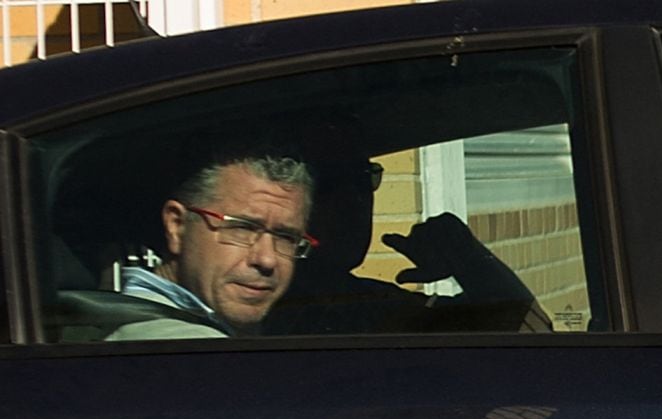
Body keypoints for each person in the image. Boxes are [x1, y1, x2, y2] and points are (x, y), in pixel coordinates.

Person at [263, 155, 551, 335]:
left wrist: (468, 258)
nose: (356, 200)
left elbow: (527, 329)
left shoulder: (359, 298)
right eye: (331, 183)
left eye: (364, 178)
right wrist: (472, 261)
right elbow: (531, 334)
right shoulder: (280, 305)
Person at [105, 154, 315, 340]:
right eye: (242, 228)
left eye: (286, 237)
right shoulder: (183, 347)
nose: (267, 259)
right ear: (177, 226)